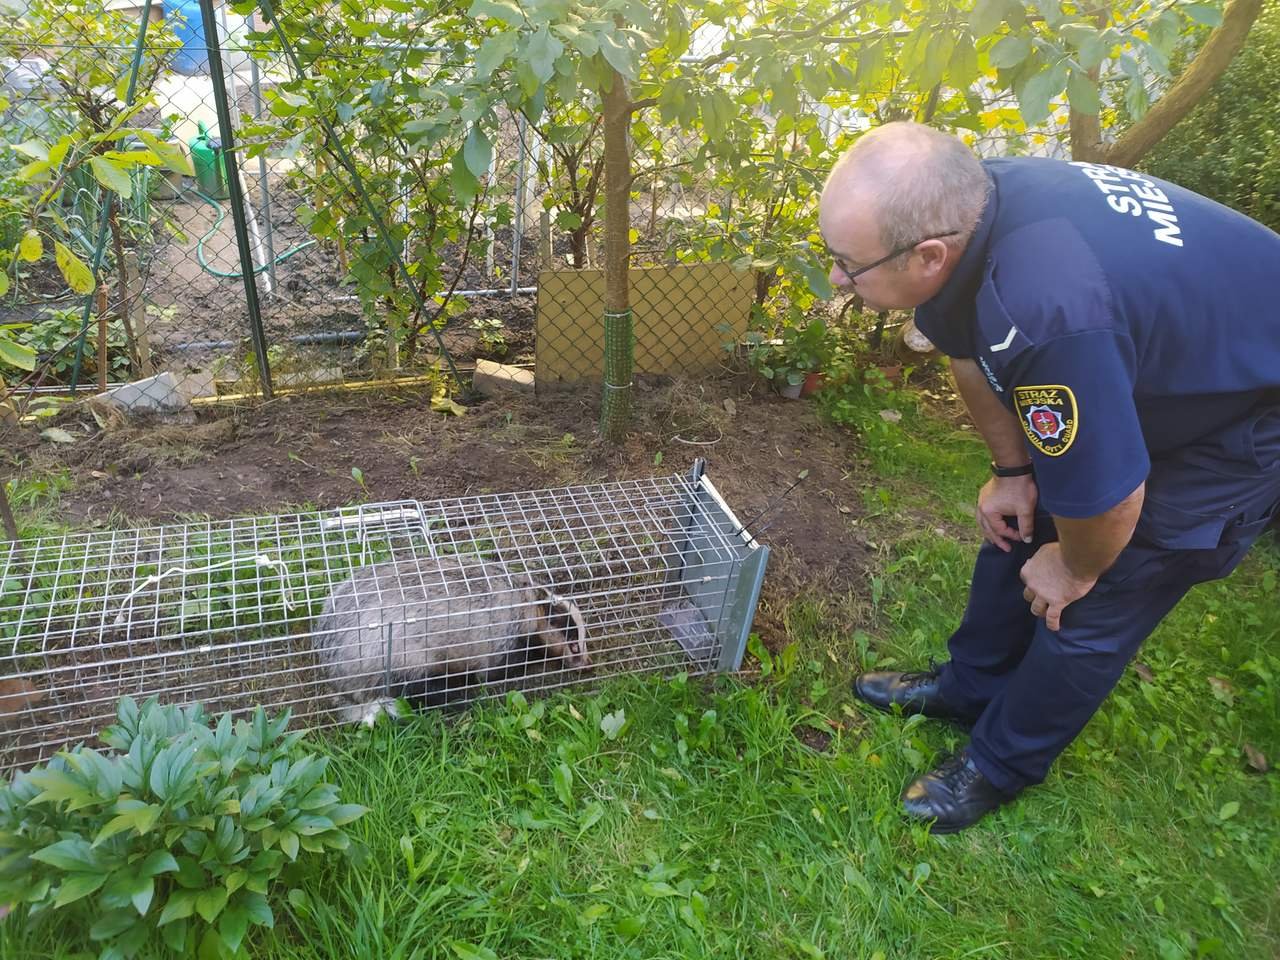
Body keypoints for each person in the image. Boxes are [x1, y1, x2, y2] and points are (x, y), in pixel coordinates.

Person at [818, 121, 1280, 833]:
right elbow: (964, 347)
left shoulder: (1048, 309)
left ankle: (999, 763)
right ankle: (967, 687)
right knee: (1021, 522)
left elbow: (1115, 499)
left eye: (847, 263)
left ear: (929, 255)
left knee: (1103, 588)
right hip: (1159, 354)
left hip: (1250, 406)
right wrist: (1011, 473)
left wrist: (1073, 563)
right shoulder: (968, 210)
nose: (836, 278)